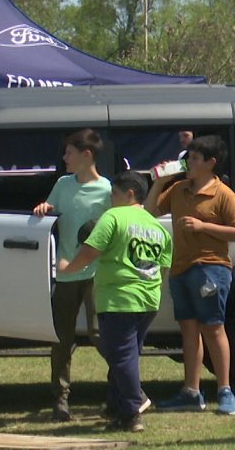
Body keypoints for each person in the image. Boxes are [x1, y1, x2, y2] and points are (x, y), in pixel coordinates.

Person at [58, 172, 172, 432]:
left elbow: (90, 250)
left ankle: (134, 406)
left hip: (119, 299)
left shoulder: (113, 217)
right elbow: (163, 265)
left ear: (129, 193)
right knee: (128, 354)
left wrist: (67, 268)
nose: (110, 199)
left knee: (121, 357)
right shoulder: (156, 225)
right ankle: (117, 407)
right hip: (148, 299)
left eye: (114, 194)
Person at [145, 135, 235, 416]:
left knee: (213, 328)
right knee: (188, 331)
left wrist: (202, 226)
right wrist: (159, 182)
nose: (188, 162)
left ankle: (225, 391)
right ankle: (191, 391)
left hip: (211, 269)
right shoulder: (178, 189)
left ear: (211, 163)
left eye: (195, 158)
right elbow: (151, 210)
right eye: (188, 158)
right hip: (180, 269)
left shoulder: (222, 193)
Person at [32, 129, 112, 421]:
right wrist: (44, 209)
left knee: (101, 333)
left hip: (96, 273)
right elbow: (52, 208)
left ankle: (121, 389)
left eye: (69, 152)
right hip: (65, 274)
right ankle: (60, 398)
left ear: (86, 155)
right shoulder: (63, 185)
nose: (64, 158)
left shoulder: (106, 190)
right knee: (61, 338)